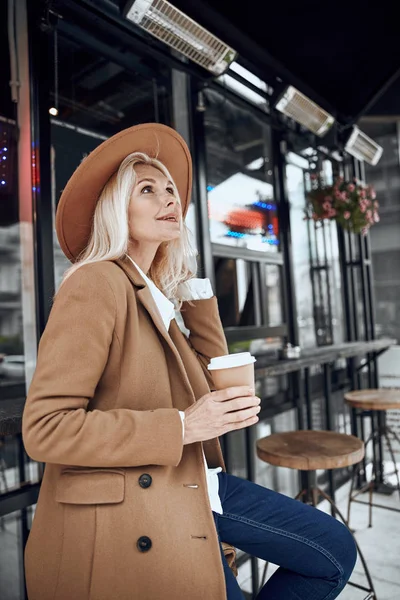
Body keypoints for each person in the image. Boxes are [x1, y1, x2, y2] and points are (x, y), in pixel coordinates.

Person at [22, 123, 356, 600]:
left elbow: (210, 387)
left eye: (172, 191)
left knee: (333, 551)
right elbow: (46, 428)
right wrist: (181, 427)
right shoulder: (96, 282)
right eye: (147, 190)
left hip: (195, 482)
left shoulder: (155, 294)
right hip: (140, 502)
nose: (170, 199)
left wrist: (193, 291)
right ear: (117, 210)